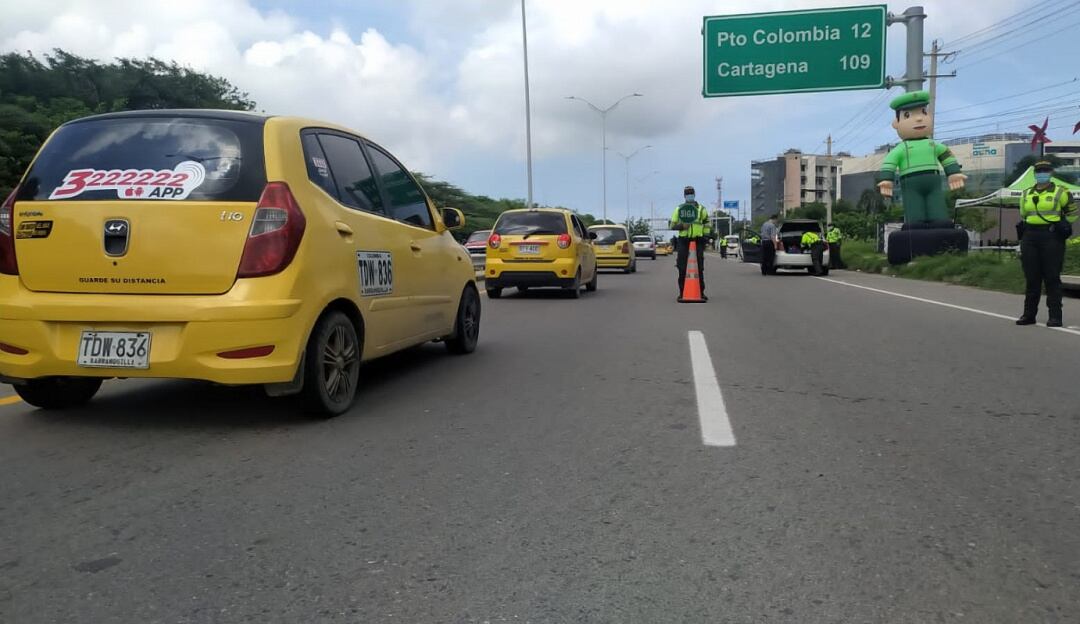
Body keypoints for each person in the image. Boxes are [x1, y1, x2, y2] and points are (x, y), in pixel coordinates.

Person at [877, 90, 967, 224]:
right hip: (910, 183)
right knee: (914, 209)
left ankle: (941, 226)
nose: (919, 118)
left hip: (933, 182)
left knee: (937, 207)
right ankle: (915, 227)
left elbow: (946, 155)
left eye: (923, 112)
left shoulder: (933, 144)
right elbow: (889, 162)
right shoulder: (902, 148)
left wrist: (953, 173)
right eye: (907, 115)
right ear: (896, 123)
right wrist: (886, 180)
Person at [1016, 160, 1076, 327]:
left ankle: (1055, 316)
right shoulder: (1026, 193)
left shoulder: (1061, 192)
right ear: (1035, 173)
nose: (1042, 173)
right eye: (1039, 170)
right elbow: (1023, 214)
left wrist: (1061, 225)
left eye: (1045, 170)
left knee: (1052, 277)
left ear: (1051, 173)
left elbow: (1073, 213)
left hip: (1051, 236)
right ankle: (1029, 315)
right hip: (1030, 236)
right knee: (1032, 278)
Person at [670, 185, 709, 300]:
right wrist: (682, 226)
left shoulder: (701, 209)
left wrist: (706, 236)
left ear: (694, 194)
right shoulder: (679, 209)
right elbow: (672, 225)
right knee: (682, 267)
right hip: (684, 241)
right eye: (688, 193)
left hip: (698, 241)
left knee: (699, 268)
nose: (689, 195)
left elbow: (707, 224)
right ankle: (682, 293)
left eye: (691, 193)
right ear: (684, 196)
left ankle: (700, 292)